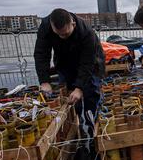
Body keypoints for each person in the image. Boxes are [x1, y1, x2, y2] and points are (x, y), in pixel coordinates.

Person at [34, 8, 105, 146]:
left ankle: (92, 134)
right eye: (59, 34)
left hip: (91, 63)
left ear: (73, 23)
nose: (62, 37)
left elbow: (87, 63)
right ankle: (75, 132)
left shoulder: (86, 32)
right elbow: (41, 53)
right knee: (70, 100)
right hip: (65, 63)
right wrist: (44, 81)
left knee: (91, 95)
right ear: (52, 26)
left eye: (66, 34)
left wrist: (79, 88)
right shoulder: (45, 27)